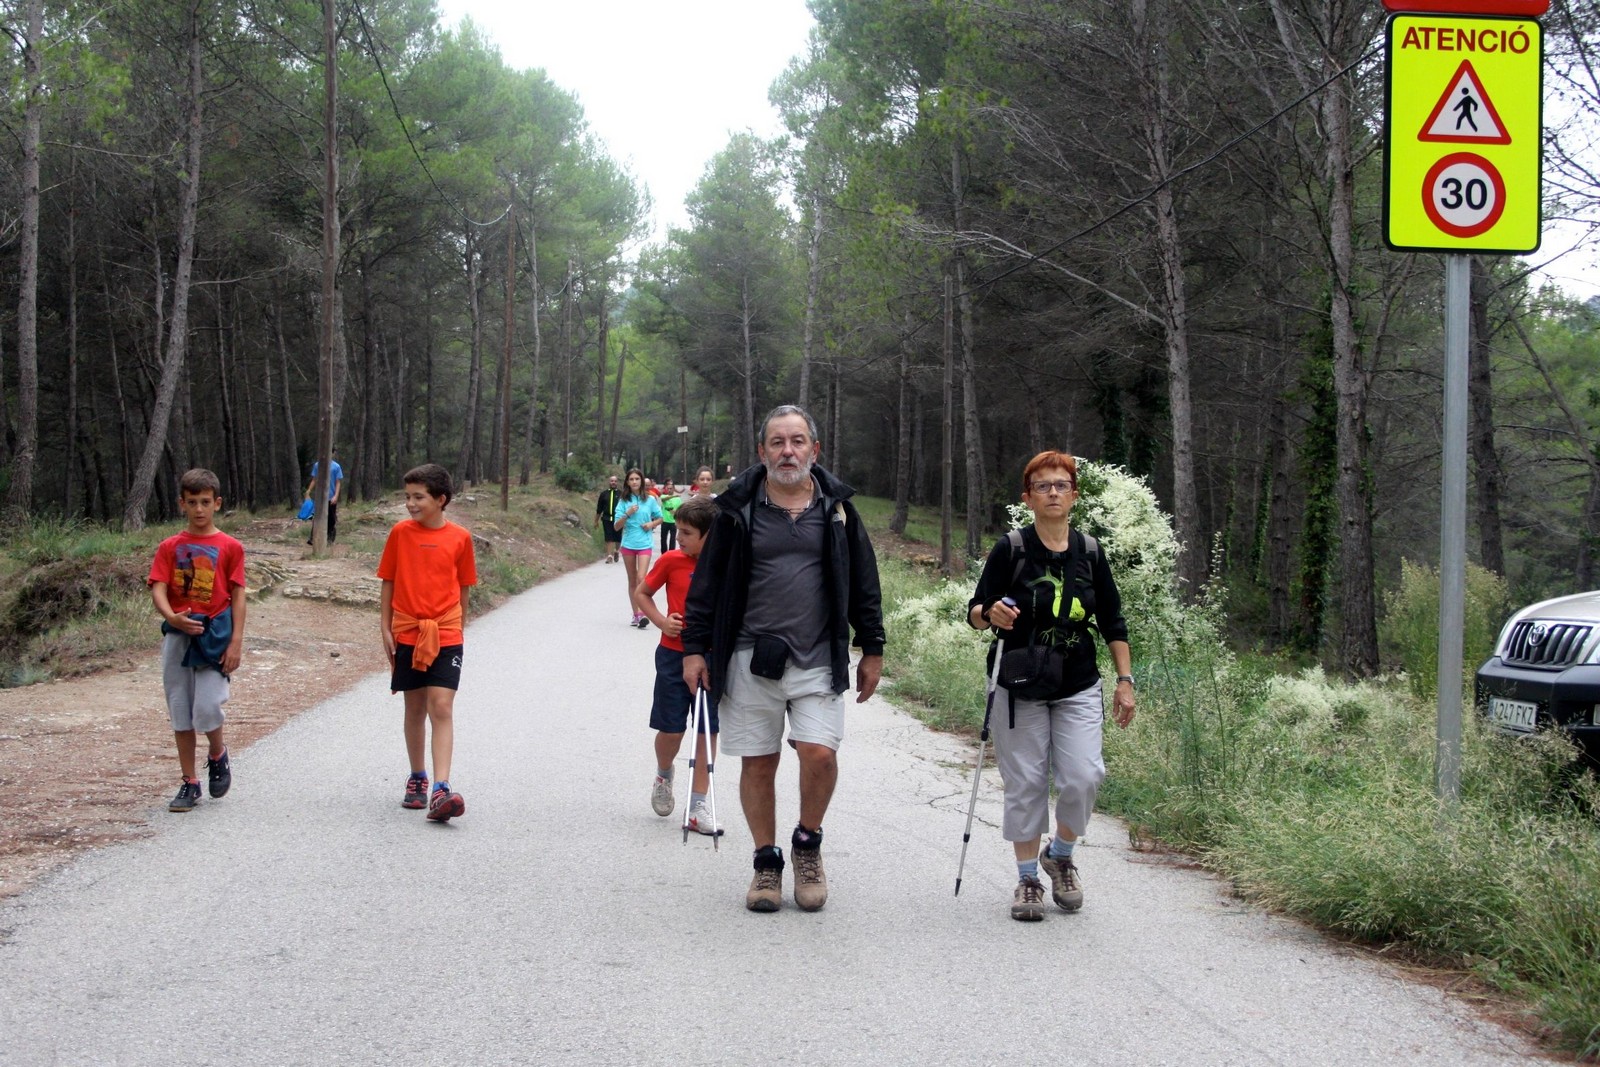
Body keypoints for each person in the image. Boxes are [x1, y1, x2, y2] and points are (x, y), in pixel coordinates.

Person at [681, 405, 885, 913]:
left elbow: (864, 580)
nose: (787, 451)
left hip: (818, 656)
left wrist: (873, 647)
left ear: (815, 449)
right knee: (759, 761)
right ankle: (766, 862)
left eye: (797, 441)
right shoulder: (736, 511)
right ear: (762, 451)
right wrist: (695, 650)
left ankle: (807, 845)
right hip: (749, 656)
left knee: (820, 753)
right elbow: (706, 587)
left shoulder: (838, 510)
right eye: (777, 442)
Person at [966, 450, 1136, 922]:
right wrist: (990, 613)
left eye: (1061, 485)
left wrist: (1124, 681)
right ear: (1028, 497)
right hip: (1019, 682)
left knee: (1084, 776)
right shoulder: (1012, 548)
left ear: (1074, 495)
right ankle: (1027, 879)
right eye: (1043, 486)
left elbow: (1113, 621)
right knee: (1026, 782)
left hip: (1078, 681)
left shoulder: (1091, 552)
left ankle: (1060, 854)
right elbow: (975, 612)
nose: (1053, 493)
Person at [378, 463, 479, 822]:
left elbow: (464, 588)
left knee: (442, 706)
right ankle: (417, 776)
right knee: (415, 707)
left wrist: (458, 630)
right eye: (407, 496)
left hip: (446, 633)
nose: (410, 503)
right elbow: (388, 580)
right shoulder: (400, 534)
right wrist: (385, 626)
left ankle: (441, 787)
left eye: (418, 497)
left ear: (441, 499)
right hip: (407, 630)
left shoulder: (460, 538)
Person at [148, 468, 247, 813]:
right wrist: (171, 617)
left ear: (217, 503)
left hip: (214, 636)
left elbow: (238, 595)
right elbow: (158, 587)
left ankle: (217, 753)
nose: (199, 509)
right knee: (180, 709)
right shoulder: (170, 547)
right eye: (192, 502)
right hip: (179, 635)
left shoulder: (230, 547)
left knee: (207, 706)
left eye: (205, 502)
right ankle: (189, 781)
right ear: (182, 504)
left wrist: (236, 641)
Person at [632, 495, 721, 834]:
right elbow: (642, 593)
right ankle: (664, 773)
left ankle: (698, 805)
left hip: (712, 659)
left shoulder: (726, 565)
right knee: (672, 729)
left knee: (707, 729)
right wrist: (661, 621)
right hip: (672, 655)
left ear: (709, 535)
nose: (678, 537)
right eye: (678, 530)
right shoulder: (671, 560)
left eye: (686, 533)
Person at [614, 468, 663, 628]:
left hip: (644, 544)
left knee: (642, 578)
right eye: (631, 479)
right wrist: (627, 514)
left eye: (637, 479)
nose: (634, 482)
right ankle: (636, 615)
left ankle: (643, 613)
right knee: (632, 579)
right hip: (628, 544)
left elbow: (660, 518)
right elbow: (616, 526)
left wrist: (651, 524)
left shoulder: (650, 499)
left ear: (641, 481)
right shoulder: (623, 501)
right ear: (627, 482)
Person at [303, 453, 344, 544]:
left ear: (333, 453)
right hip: (320, 497)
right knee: (317, 517)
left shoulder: (336, 466)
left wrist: (336, 496)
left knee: (331, 518)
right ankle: (313, 538)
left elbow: (338, 482)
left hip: (331, 496)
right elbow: (314, 479)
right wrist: (309, 490)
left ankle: (330, 538)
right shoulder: (317, 465)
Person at [595, 474, 622, 564]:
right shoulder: (604, 494)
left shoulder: (621, 494)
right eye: (612, 481)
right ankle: (609, 556)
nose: (613, 482)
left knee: (618, 537)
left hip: (618, 519)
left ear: (617, 483)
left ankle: (617, 551)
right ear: (609, 482)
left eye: (615, 481)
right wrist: (596, 521)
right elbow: (599, 509)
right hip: (606, 518)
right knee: (608, 537)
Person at [658, 479, 682, 552]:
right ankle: (664, 553)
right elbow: (664, 499)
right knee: (663, 539)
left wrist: (676, 512)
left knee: (672, 539)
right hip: (664, 521)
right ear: (666, 489)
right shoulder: (663, 496)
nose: (669, 490)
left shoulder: (678, 499)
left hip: (673, 522)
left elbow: (681, 509)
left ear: (673, 489)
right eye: (668, 488)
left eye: (671, 488)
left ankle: (671, 553)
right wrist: (674, 496)